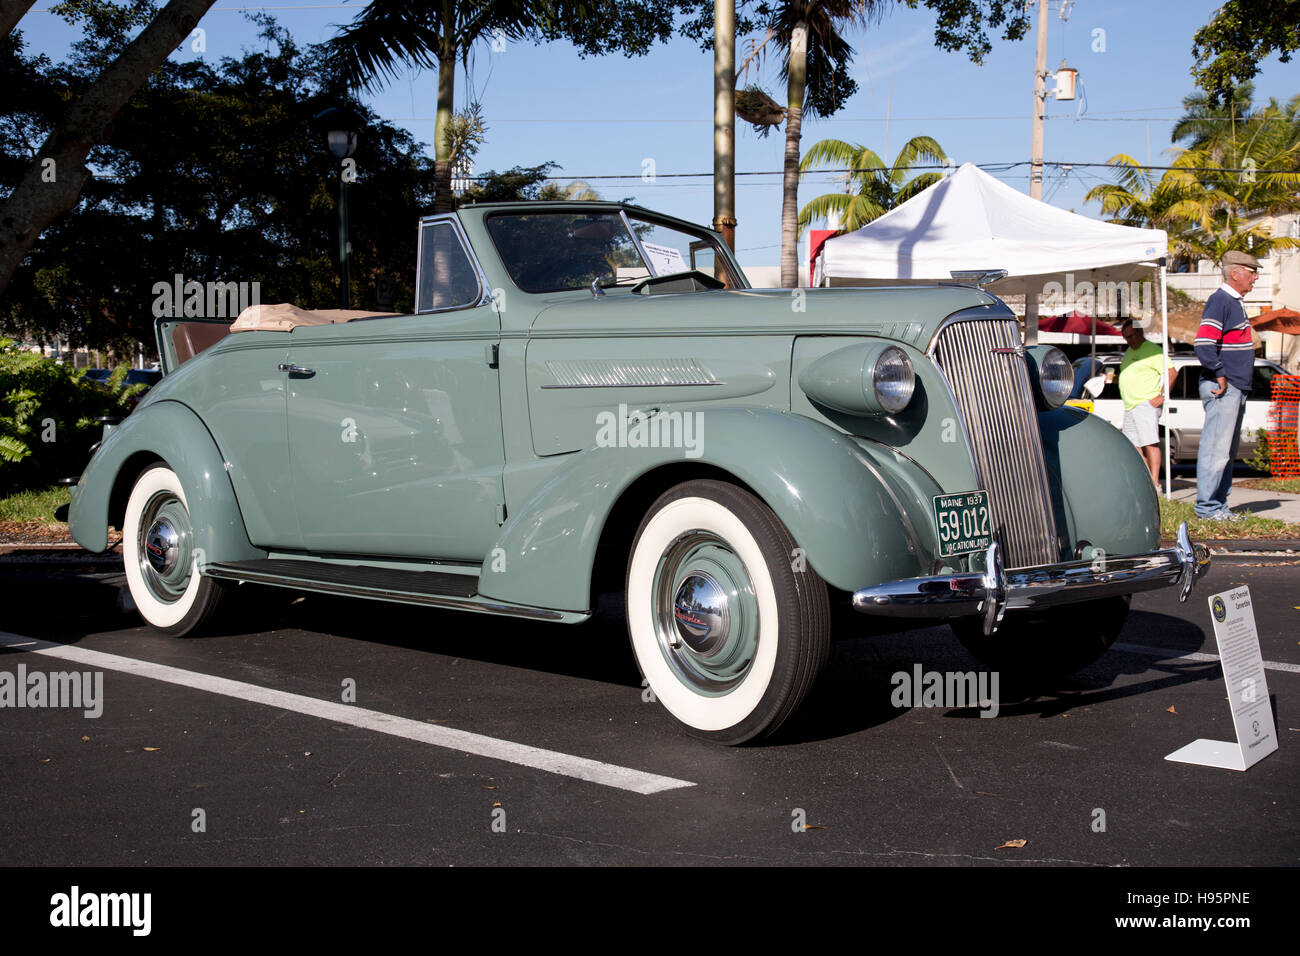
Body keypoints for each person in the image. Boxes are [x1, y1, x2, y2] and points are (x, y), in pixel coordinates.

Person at [1194, 250, 1259, 520]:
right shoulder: (1221, 300)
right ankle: (1207, 509)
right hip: (1224, 386)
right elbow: (1203, 344)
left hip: (1235, 386)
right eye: (1252, 271)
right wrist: (1220, 373)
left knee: (1227, 452)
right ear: (1235, 273)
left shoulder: (1235, 302)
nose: (1255, 277)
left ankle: (1219, 506)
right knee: (1216, 450)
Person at [1118, 319, 1177, 490]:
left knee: (1150, 443)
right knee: (1133, 445)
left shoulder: (1153, 351)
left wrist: (1162, 395)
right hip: (1130, 405)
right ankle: (1145, 479)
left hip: (1145, 403)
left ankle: (1156, 483)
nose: (1130, 340)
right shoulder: (1129, 351)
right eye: (1126, 337)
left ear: (1140, 333)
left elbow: (1172, 372)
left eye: (1132, 336)